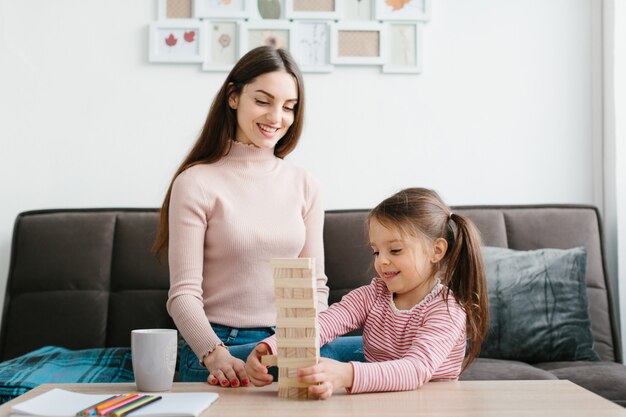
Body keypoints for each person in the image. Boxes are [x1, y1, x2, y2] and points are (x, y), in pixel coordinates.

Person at [154, 46, 362, 388]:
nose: (276, 117)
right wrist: (215, 354)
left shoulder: (305, 185)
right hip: (223, 347)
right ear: (234, 97)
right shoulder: (196, 183)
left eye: (289, 107)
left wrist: (305, 342)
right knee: (375, 358)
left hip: (288, 340)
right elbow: (183, 296)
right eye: (263, 101)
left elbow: (315, 286)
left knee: (384, 348)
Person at [246, 187, 489, 399]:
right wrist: (272, 347)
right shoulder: (373, 295)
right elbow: (326, 322)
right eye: (376, 251)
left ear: (436, 251)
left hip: (429, 406)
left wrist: (347, 374)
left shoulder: (447, 309)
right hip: (379, 401)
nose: (382, 261)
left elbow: (415, 370)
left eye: (394, 250)